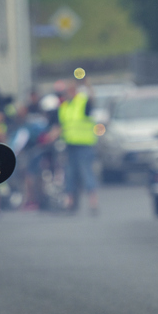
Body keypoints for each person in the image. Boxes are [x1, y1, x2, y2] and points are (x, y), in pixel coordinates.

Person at [56, 77, 98, 214]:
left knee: (86, 173)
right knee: (70, 174)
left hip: (84, 145)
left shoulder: (82, 102)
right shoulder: (64, 107)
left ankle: (93, 203)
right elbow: (61, 125)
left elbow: (92, 100)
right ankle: (70, 203)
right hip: (70, 145)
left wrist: (88, 85)